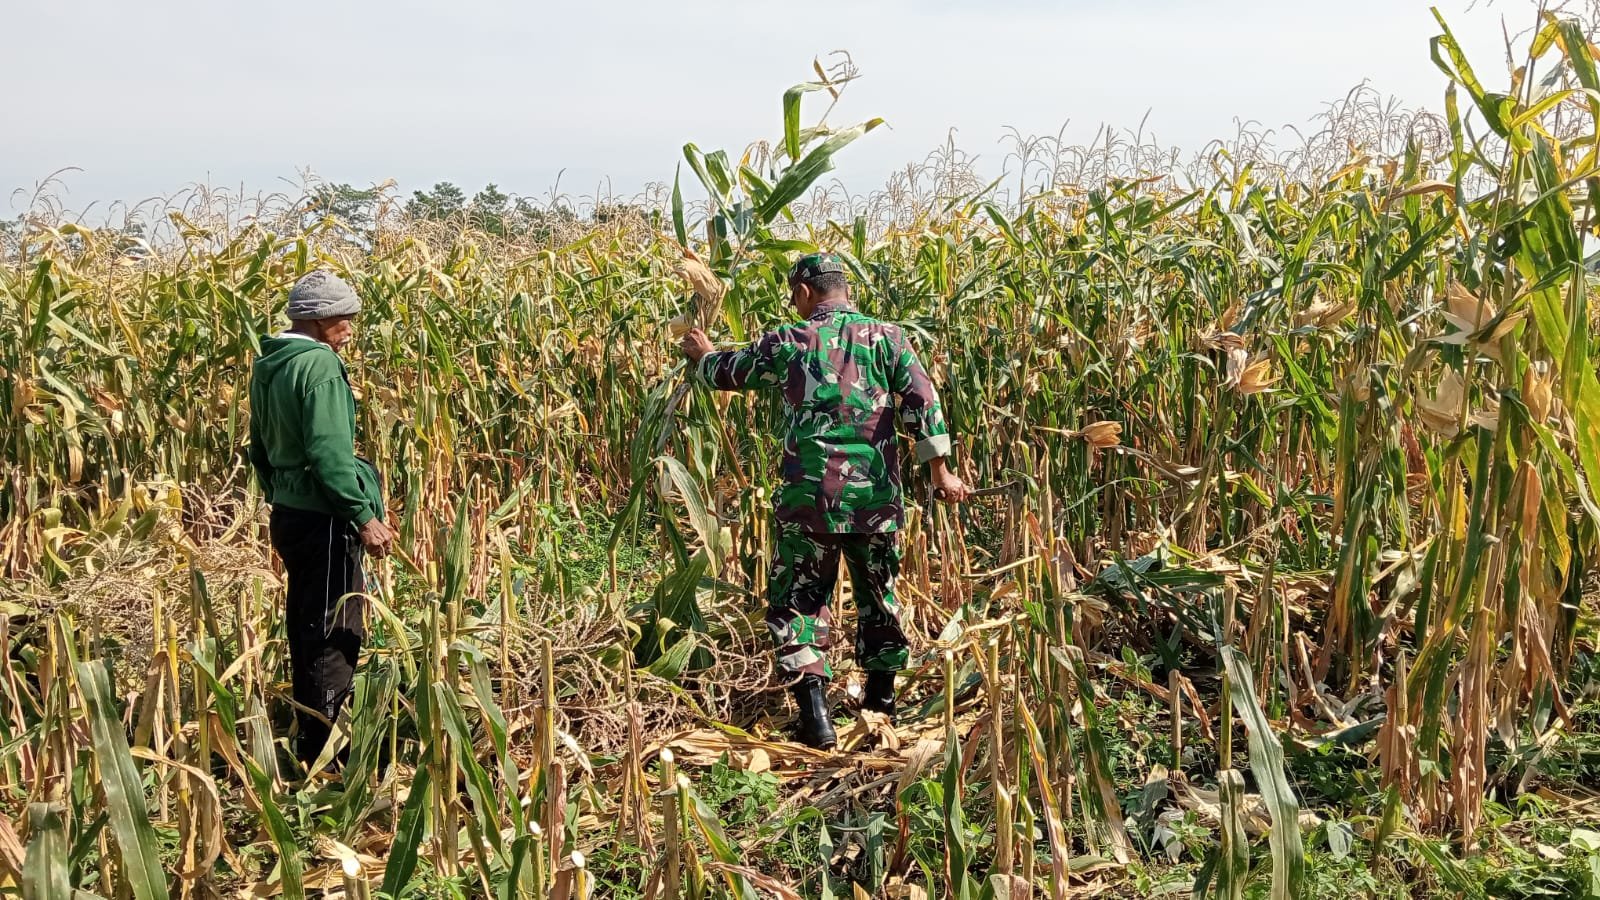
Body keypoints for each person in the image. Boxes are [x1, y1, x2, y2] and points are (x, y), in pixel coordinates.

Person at [680, 253, 970, 749]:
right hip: (874, 500)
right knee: (879, 598)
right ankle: (880, 705)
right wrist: (941, 470)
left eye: (794, 295)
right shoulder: (889, 338)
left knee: (799, 601)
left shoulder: (792, 341)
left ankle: (816, 720)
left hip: (808, 501)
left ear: (806, 293)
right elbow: (923, 402)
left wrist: (703, 356)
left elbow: (730, 373)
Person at [248, 269, 394, 769]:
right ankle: (327, 754)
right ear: (316, 319)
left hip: (290, 514)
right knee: (333, 631)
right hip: (326, 517)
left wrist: (281, 493)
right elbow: (329, 453)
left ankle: (309, 733)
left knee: (306, 623)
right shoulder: (319, 366)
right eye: (343, 317)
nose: (350, 326)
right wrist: (362, 515)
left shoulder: (270, 362)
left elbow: (259, 448)